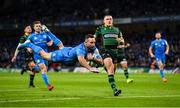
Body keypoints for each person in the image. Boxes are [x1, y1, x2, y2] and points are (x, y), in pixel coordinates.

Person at [20, 34, 103, 73]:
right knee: (44, 55)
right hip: (63, 56)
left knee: (60, 45)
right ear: (85, 42)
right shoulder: (81, 49)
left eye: (94, 42)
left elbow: (101, 61)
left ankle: (48, 32)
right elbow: (81, 60)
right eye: (91, 42)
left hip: (69, 51)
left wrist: (94, 58)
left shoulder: (93, 47)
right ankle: (29, 44)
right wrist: (90, 68)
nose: (93, 44)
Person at [94, 15, 133, 96]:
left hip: (115, 53)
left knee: (112, 72)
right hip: (106, 51)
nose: (109, 20)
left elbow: (122, 41)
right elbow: (94, 38)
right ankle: (115, 90)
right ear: (104, 21)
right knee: (110, 68)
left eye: (110, 19)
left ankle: (102, 65)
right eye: (107, 19)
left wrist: (120, 40)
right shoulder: (100, 29)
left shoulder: (117, 30)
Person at [27, 21, 57, 91]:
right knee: (43, 68)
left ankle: (33, 66)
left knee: (42, 69)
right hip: (37, 55)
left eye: (39, 26)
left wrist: (50, 43)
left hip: (46, 55)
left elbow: (51, 41)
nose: (38, 27)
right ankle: (49, 85)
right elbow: (27, 44)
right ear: (34, 28)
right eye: (37, 26)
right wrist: (29, 49)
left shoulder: (45, 34)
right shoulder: (31, 36)